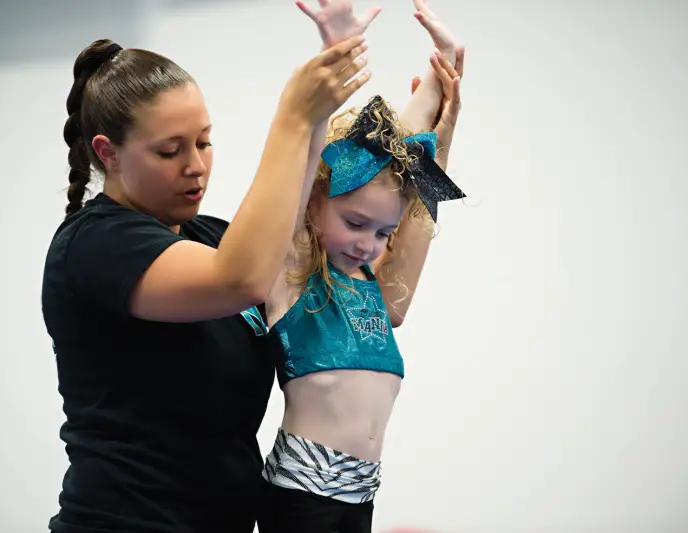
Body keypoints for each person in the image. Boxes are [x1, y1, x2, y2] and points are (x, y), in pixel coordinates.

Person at [40, 26, 372, 532]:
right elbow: (241, 280)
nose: (196, 167)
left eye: (204, 142)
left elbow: (310, 248)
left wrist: (322, 108)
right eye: (170, 151)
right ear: (107, 153)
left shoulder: (212, 238)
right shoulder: (95, 246)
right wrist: (291, 115)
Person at [257, 1, 466, 532]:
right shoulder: (295, 274)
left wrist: (443, 70)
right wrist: (334, 52)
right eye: (354, 223)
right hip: (303, 496)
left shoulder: (376, 287)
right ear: (314, 203)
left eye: (382, 232)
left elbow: (409, 160)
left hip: (360, 496)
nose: (369, 244)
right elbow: (304, 152)